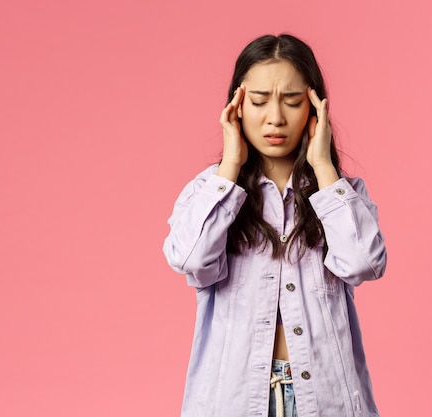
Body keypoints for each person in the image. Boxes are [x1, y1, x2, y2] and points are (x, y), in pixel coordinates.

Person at [163, 33, 387, 417]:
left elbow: (364, 264)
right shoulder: (211, 190)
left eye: (293, 101)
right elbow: (190, 260)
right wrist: (230, 166)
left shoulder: (340, 194)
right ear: (236, 105)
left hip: (326, 400)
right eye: (260, 100)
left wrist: (323, 167)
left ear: (315, 108)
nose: (276, 117)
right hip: (234, 399)